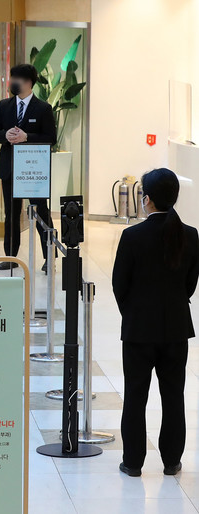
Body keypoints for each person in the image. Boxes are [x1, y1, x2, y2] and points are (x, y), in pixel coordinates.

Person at [112, 168, 199, 477]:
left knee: (135, 396)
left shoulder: (132, 236)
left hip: (138, 330)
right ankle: (172, 461)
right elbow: (190, 284)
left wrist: (133, 313)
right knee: (173, 396)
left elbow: (119, 285)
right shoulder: (190, 235)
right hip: (176, 328)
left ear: (146, 199)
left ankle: (133, 462)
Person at [0, 64, 57, 271]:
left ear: (28, 83)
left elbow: (50, 138)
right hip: (9, 169)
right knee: (11, 214)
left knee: (41, 213)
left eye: (15, 79)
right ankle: (11, 257)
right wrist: (5, 135)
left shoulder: (43, 108)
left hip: (34, 171)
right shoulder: (4, 105)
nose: (12, 82)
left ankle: (49, 258)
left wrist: (27, 137)